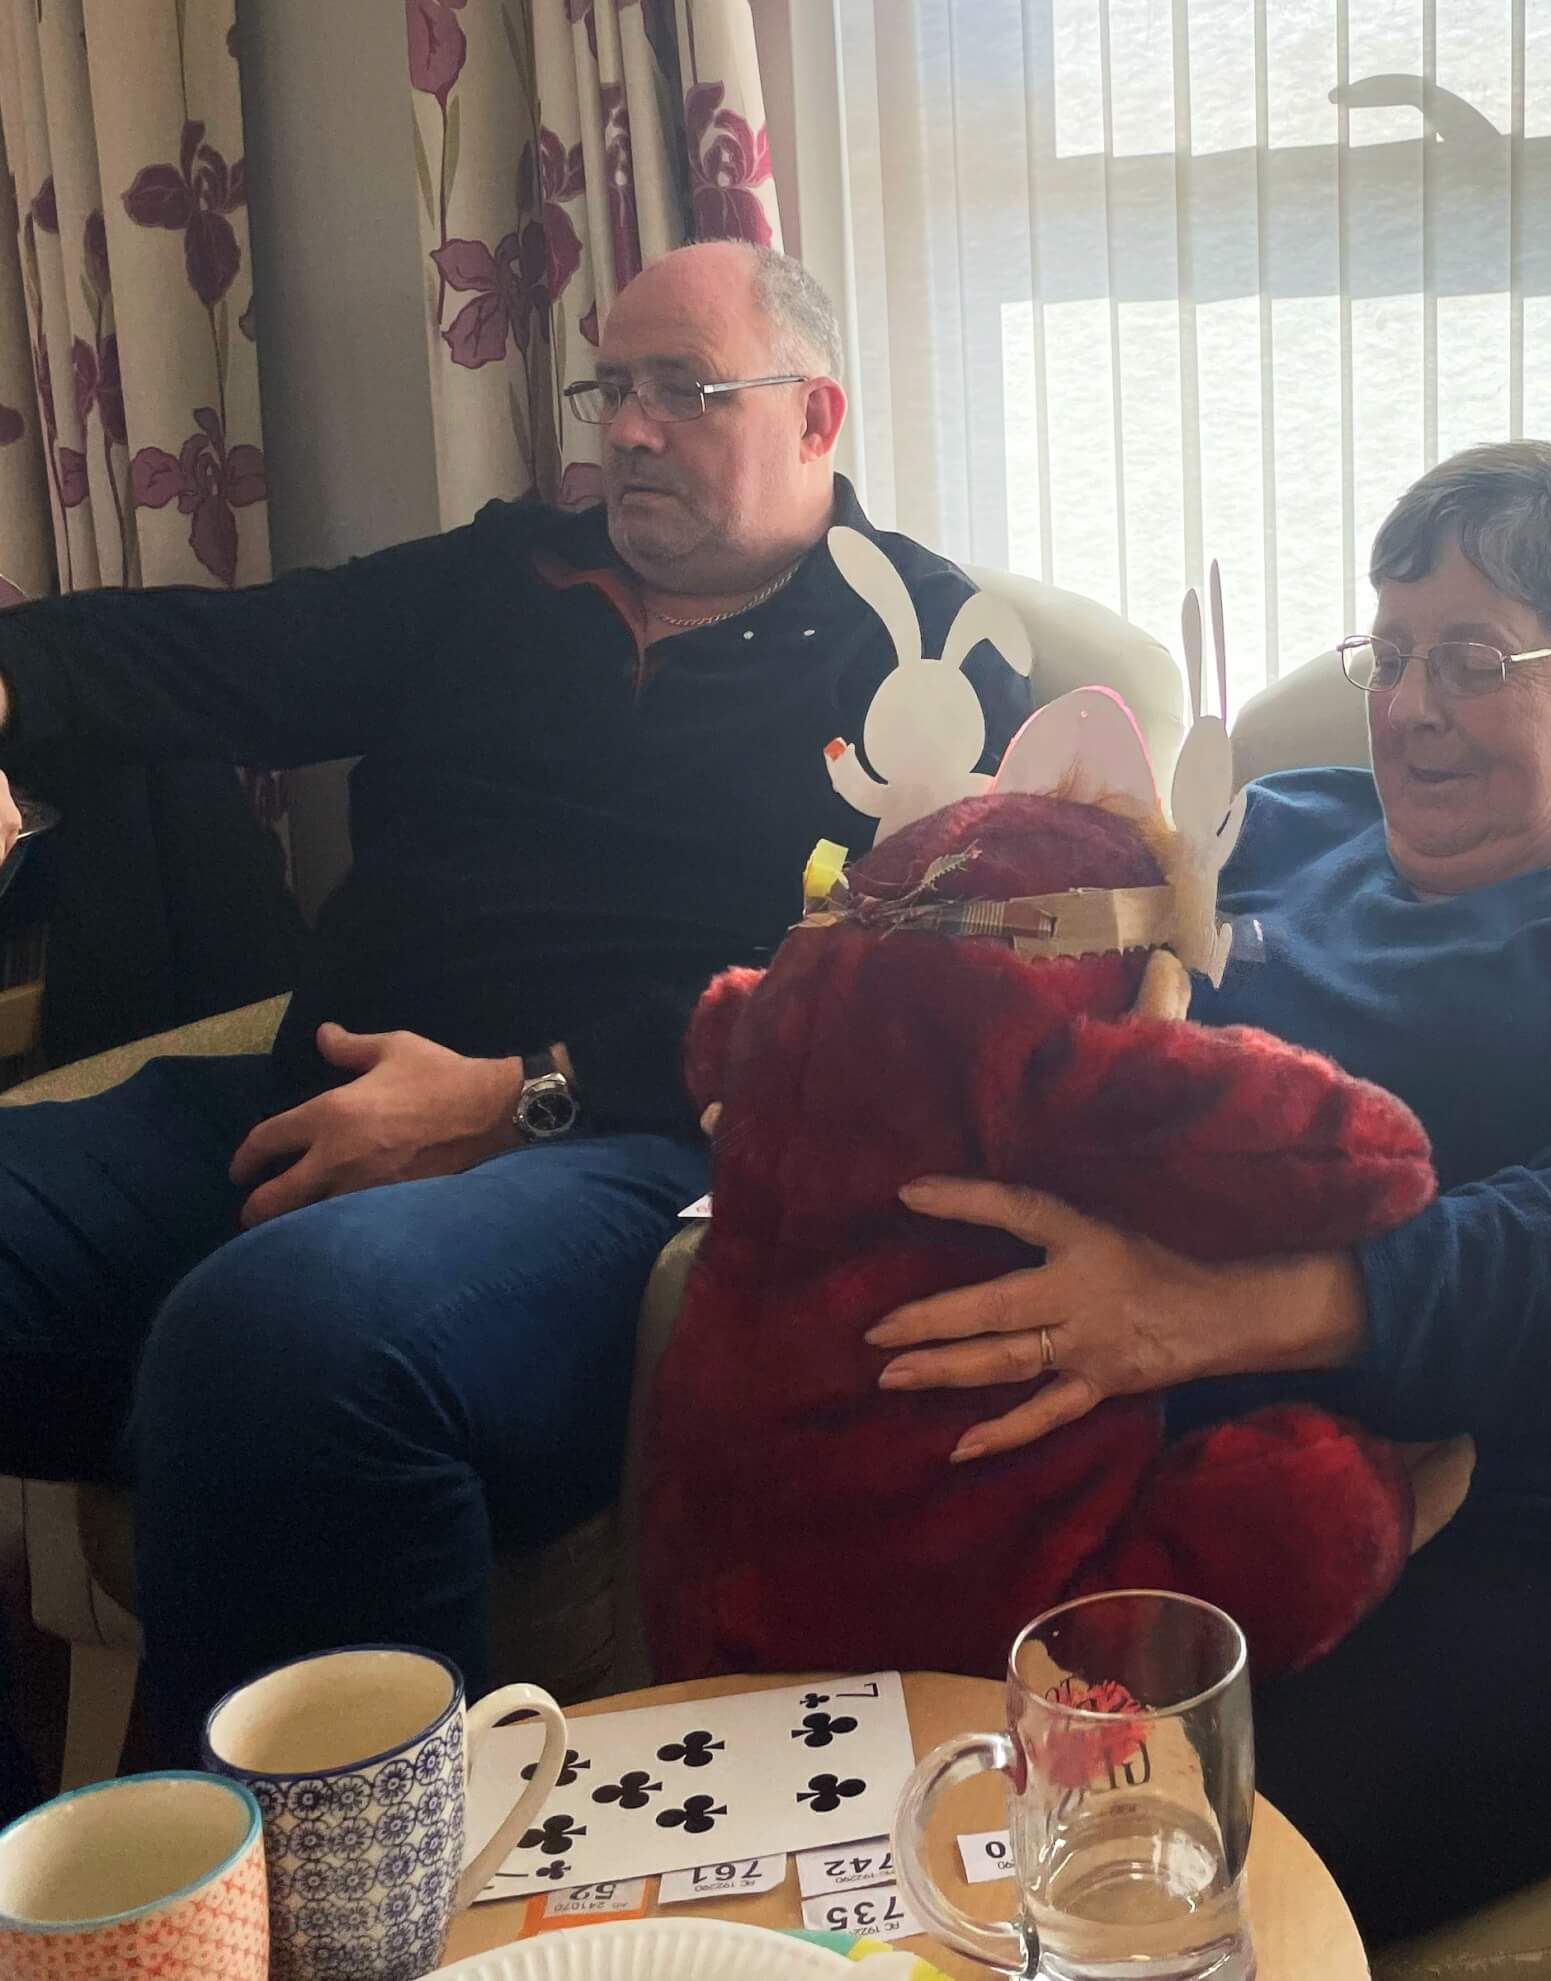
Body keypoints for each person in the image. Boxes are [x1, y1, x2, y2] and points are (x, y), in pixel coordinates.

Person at [859, 442, 1551, 1938]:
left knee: (1138, 1878)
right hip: (1215, 1483)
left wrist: (1196, 1316)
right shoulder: (1285, 834)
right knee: (910, 1802)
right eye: (1394, 652)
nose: (1413, 707)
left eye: (1477, 662)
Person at [0, 240, 1030, 1747]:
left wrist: (514, 1090)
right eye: (610, 387)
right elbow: (216, 652)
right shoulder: (506, 574)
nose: (627, 429)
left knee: (288, 1339)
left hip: (624, 1159)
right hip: (293, 1112)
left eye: (683, 388)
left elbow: (879, 1007)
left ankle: (276, 1925)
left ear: (817, 418)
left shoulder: (934, 657)